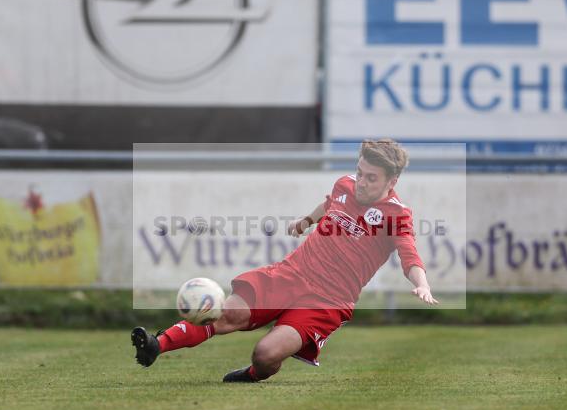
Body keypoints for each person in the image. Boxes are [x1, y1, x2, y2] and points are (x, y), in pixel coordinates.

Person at [131, 138, 437, 382]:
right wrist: (306, 220)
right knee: (227, 315)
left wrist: (421, 285)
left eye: (371, 178)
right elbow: (331, 203)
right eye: (359, 172)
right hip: (292, 273)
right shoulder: (345, 185)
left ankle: (253, 374)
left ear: (392, 180)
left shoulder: (398, 214)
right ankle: (158, 344)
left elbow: (409, 253)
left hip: (327, 301)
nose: (361, 182)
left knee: (265, 354)